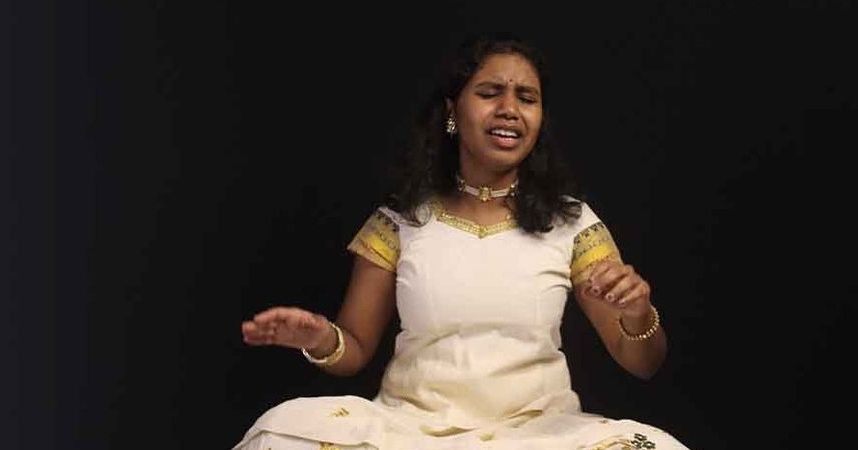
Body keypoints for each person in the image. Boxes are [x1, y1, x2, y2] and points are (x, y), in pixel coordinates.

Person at [234, 34, 688, 449]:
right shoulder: (401, 220)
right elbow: (353, 350)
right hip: (412, 432)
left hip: (538, 435)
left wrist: (638, 313)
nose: (509, 108)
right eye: (490, 93)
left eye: (527, 98)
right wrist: (319, 337)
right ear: (453, 110)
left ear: (540, 118)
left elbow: (643, 361)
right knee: (279, 432)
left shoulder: (570, 222)